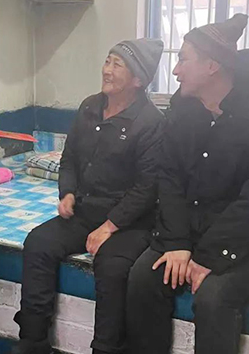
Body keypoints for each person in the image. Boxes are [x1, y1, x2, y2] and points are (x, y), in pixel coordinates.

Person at [126, 15, 249, 354]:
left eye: (183, 60)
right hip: (192, 231)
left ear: (211, 66)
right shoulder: (184, 109)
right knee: (143, 278)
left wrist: (209, 257)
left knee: (213, 297)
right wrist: (177, 242)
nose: (175, 71)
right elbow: (169, 178)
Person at [13, 39, 165, 354]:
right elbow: (69, 157)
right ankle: (33, 340)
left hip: (130, 223)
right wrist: (67, 192)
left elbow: (148, 187)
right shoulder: (90, 107)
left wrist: (109, 227)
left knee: (111, 268)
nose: (107, 70)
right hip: (85, 211)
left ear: (138, 80)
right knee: (38, 243)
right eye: (108, 61)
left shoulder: (150, 122)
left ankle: (106, 349)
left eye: (117, 65)